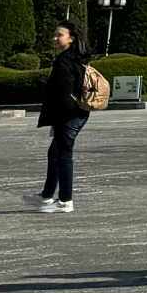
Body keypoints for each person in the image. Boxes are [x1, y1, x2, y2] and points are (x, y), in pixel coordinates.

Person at [35, 20, 94, 213]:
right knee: (55, 154)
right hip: (78, 114)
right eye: (55, 34)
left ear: (71, 38)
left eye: (59, 34)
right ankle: (47, 196)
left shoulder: (63, 61)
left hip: (68, 115)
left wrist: (58, 119)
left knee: (63, 156)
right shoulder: (78, 58)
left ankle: (65, 200)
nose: (54, 38)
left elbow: (63, 92)